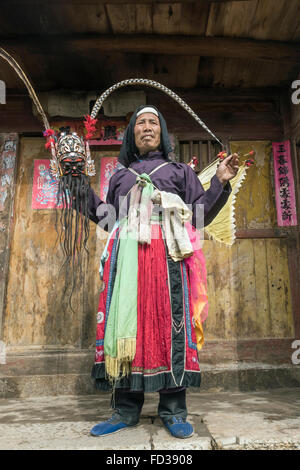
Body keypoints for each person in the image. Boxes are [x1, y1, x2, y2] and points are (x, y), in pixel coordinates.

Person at [86, 105, 238, 438]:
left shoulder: (180, 171)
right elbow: (108, 219)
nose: (147, 127)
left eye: (153, 122)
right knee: (127, 325)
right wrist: (78, 188)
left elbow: (198, 217)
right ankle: (125, 409)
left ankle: (174, 410)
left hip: (169, 255)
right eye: (140, 123)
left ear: (162, 131)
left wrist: (220, 183)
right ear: (132, 134)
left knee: (172, 325)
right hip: (126, 260)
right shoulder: (120, 177)